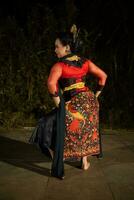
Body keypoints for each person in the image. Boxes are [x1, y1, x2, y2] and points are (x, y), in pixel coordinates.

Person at [47, 25, 107, 179]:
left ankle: (58, 157)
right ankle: (84, 162)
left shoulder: (59, 65)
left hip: (74, 103)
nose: (55, 50)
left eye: (57, 47)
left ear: (66, 47)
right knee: (85, 128)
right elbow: (103, 77)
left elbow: (51, 84)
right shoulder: (85, 61)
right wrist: (96, 95)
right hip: (91, 102)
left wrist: (60, 106)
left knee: (50, 123)